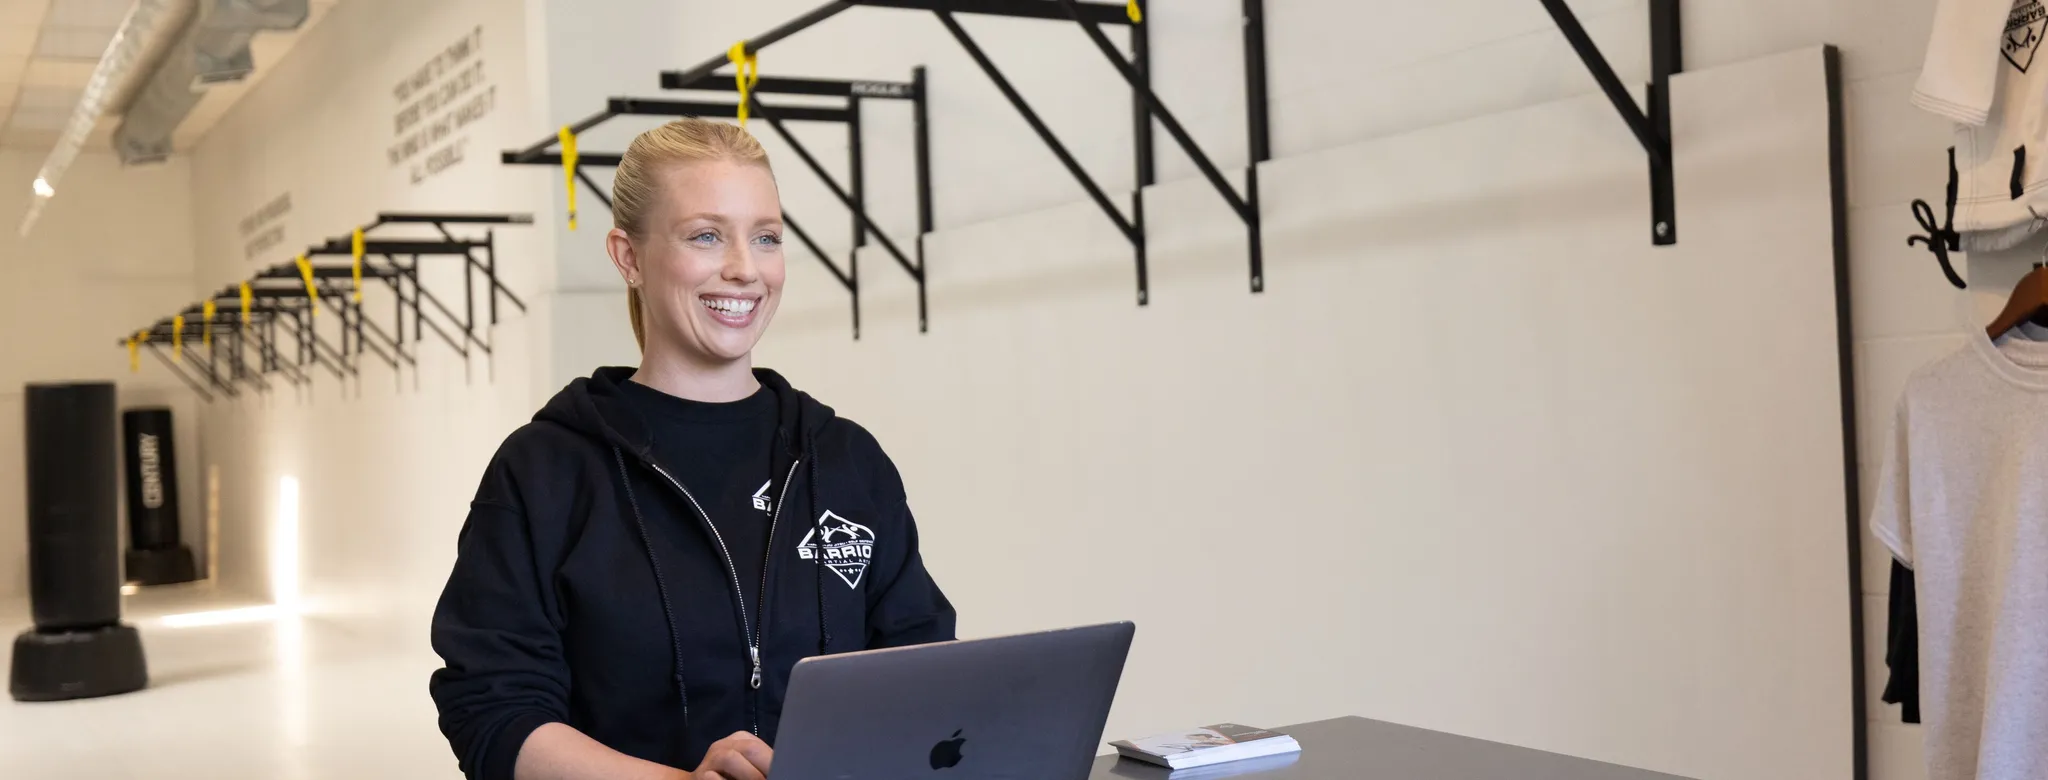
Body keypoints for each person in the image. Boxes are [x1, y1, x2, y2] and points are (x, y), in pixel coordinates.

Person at [428, 118, 956, 780]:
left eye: (766, 238)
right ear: (628, 256)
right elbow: (493, 711)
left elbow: (923, 665)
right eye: (706, 236)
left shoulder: (844, 459)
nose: (744, 268)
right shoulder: (544, 471)